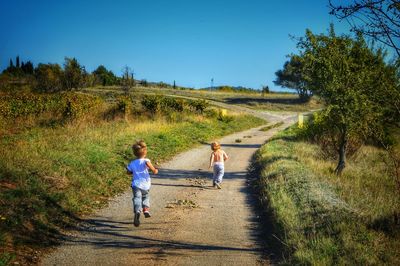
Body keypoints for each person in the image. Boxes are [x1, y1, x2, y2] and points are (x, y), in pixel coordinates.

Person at [126, 140, 158, 227]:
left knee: (137, 198)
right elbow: (153, 170)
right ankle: (145, 209)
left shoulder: (132, 163)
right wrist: (156, 169)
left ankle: (137, 210)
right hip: (145, 184)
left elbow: (128, 172)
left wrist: (132, 170)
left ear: (135, 153)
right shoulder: (146, 160)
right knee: (145, 196)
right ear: (145, 152)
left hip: (136, 184)